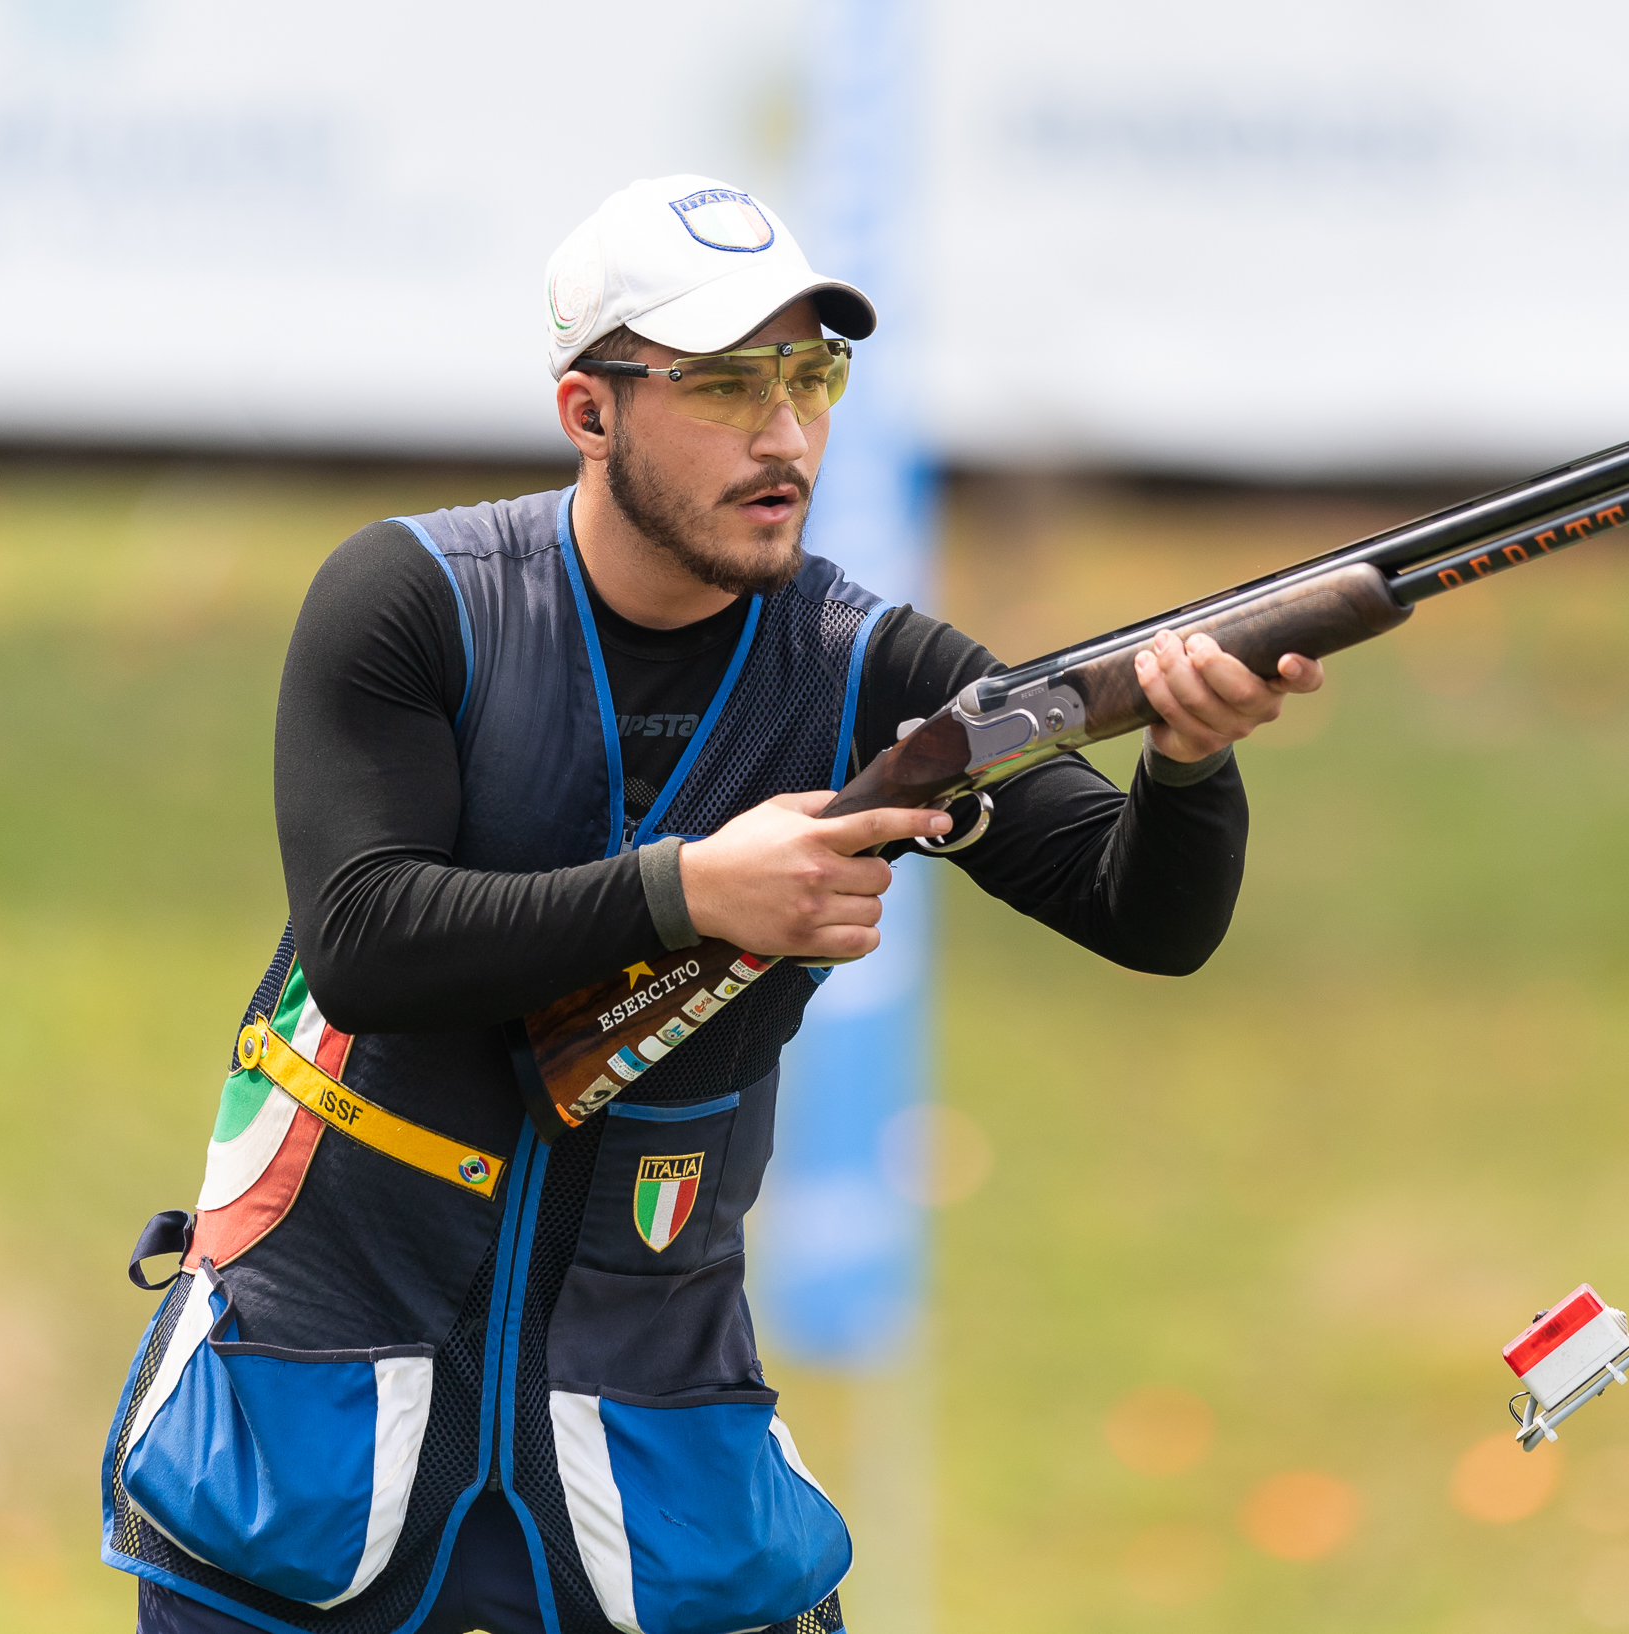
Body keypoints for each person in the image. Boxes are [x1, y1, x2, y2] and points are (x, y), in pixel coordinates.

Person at [100, 174, 1321, 1634]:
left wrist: (1188, 759)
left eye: (812, 375)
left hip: (647, 1459)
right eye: (728, 381)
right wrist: (691, 888)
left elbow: (1147, 918)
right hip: (309, 1453)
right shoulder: (412, 599)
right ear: (587, 408)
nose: (786, 430)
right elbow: (367, 942)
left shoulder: (873, 666)